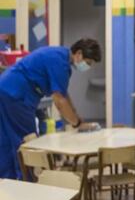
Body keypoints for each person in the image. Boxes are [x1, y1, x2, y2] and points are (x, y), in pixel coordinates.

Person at [0, 38, 101, 179]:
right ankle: (27, 182)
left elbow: (64, 95)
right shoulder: (60, 63)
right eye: (88, 63)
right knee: (27, 140)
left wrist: (77, 118)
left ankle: (6, 181)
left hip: (5, 88)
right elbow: (59, 101)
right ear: (79, 53)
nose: (87, 67)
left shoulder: (59, 56)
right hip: (16, 95)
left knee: (5, 138)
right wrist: (77, 124)